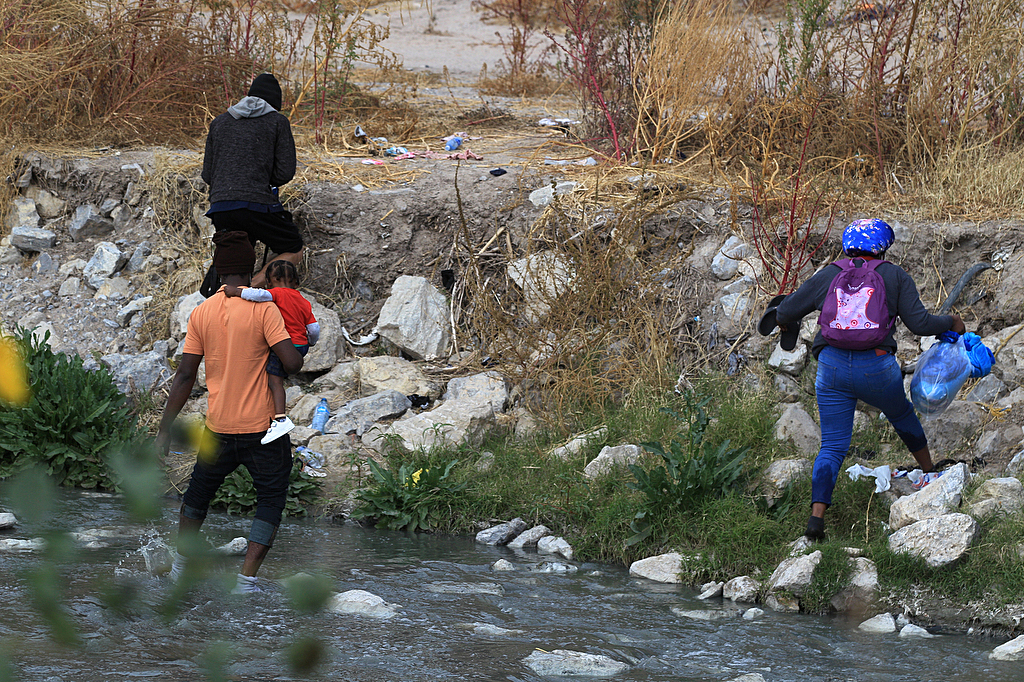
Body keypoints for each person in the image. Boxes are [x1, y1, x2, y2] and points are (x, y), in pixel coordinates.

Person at [774, 218, 966, 541]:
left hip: (831, 368)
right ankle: (930, 472)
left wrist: (782, 320)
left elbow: (786, 311)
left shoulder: (830, 273)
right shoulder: (894, 275)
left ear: (848, 244)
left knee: (832, 445)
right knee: (901, 414)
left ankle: (815, 521)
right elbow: (920, 324)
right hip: (877, 368)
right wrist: (952, 322)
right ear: (884, 246)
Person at [156, 230, 304, 594]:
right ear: (252, 267)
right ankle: (246, 581)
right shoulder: (264, 308)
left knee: (197, 497)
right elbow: (292, 362)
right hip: (263, 429)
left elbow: (185, 375)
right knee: (270, 499)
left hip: (219, 427)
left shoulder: (202, 312)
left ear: (218, 270)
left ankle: (179, 569)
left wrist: (164, 429)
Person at [200, 73, 303, 294]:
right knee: (293, 248)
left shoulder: (219, 122)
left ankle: (224, 297)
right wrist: (261, 180)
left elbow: (208, 175)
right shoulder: (277, 122)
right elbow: (285, 172)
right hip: (258, 205)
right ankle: (254, 285)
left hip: (220, 207)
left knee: (237, 257)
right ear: (276, 103)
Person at [223, 259, 320, 444]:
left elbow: (257, 295)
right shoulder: (303, 300)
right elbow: (314, 328)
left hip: (285, 345)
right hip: (301, 346)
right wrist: (311, 343)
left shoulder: (275, 293)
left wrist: (236, 291)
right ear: (296, 282)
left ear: (270, 281)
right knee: (280, 376)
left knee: (274, 381)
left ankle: (280, 418)